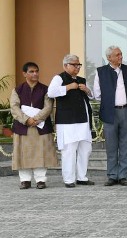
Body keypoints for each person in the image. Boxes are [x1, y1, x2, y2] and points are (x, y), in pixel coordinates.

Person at [47, 54, 94, 188]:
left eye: (79, 65)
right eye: (74, 65)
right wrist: (68, 87)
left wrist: (87, 90)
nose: (77, 67)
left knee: (85, 149)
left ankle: (82, 177)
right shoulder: (59, 78)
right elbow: (51, 92)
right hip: (68, 122)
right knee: (69, 150)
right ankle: (69, 179)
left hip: (83, 120)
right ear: (65, 65)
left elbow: (92, 96)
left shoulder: (81, 80)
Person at [10, 62, 58, 189]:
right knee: (23, 153)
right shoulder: (17, 90)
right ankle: (25, 180)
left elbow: (48, 107)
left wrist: (36, 119)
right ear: (24, 74)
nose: (35, 74)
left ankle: (40, 180)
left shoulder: (46, 89)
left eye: (36, 71)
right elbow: (14, 107)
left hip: (41, 126)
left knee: (41, 152)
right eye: (31, 71)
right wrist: (26, 120)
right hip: (22, 127)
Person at [92, 45, 127, 186]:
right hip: (109, 112)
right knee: (111, 146)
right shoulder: (101, 71)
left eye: (121, 54)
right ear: (109, 58)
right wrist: (109, 102)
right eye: (117, 55)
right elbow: (97, 94)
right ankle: (112, 175)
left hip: (125, 111)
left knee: (125, 146)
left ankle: (122, 175)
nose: (120, 57)